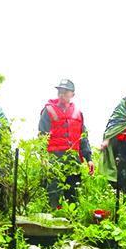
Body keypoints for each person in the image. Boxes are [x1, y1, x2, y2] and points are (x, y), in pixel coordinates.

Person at [38, 79, 93, 209]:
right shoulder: (48, 110)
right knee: (53, 192)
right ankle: (51, 220)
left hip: (73, 158)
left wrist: (89, 159)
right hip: (54, 158)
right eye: (60, 92)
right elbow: (42, 136)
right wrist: (43, 157)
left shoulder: (78, 113)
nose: (61, 94)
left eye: (65, 92)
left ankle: (72, 224)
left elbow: (83, 137)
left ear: (72, 94)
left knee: (73, 194)